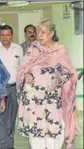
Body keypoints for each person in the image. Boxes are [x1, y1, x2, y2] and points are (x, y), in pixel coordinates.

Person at [16, 18, 80, 149]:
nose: (39, 35)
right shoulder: (32, 49)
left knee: (53, 137)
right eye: (38, 31)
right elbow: (22, 69)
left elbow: (69, 73)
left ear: (51, 34)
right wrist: (26, 75)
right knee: (36, 139)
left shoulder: (60, 51)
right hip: (33, 103)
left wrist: (59, 80)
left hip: (51, 103)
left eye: (43, 32)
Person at [0, 25, 23, 149]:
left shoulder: (18, 49)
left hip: (14, 88)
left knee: (11, 119)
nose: (5, 38)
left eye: (7, 35)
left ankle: (9, 145)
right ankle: (0, 145)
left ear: (11, 35)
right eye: (2, 35)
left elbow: (21, 68)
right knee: (0, 119)